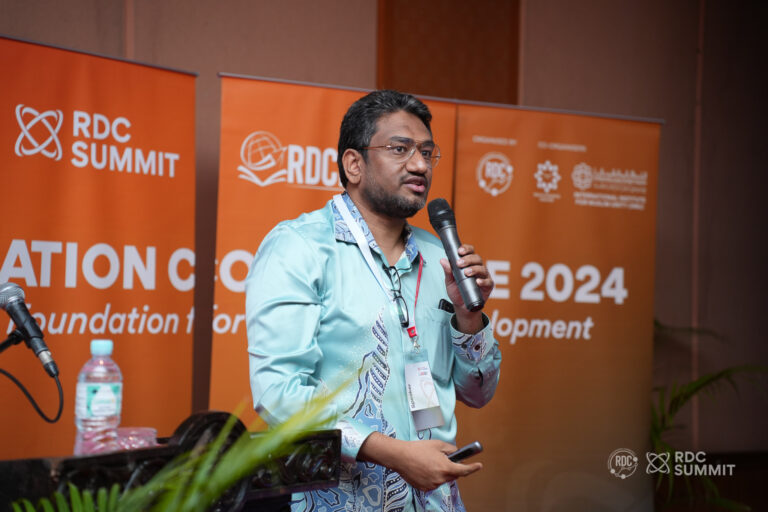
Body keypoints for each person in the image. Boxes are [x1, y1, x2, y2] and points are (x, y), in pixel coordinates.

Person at [246, 89, 502, 511]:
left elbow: (478, 392)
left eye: (426, 152)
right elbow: (280, 394)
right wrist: (394, 454)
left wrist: (468, 318)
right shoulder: (300, 248)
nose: (419, 165)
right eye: (400, 149)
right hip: (341, 500)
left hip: (435, 501)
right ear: (354, 164)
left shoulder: (440, 256)